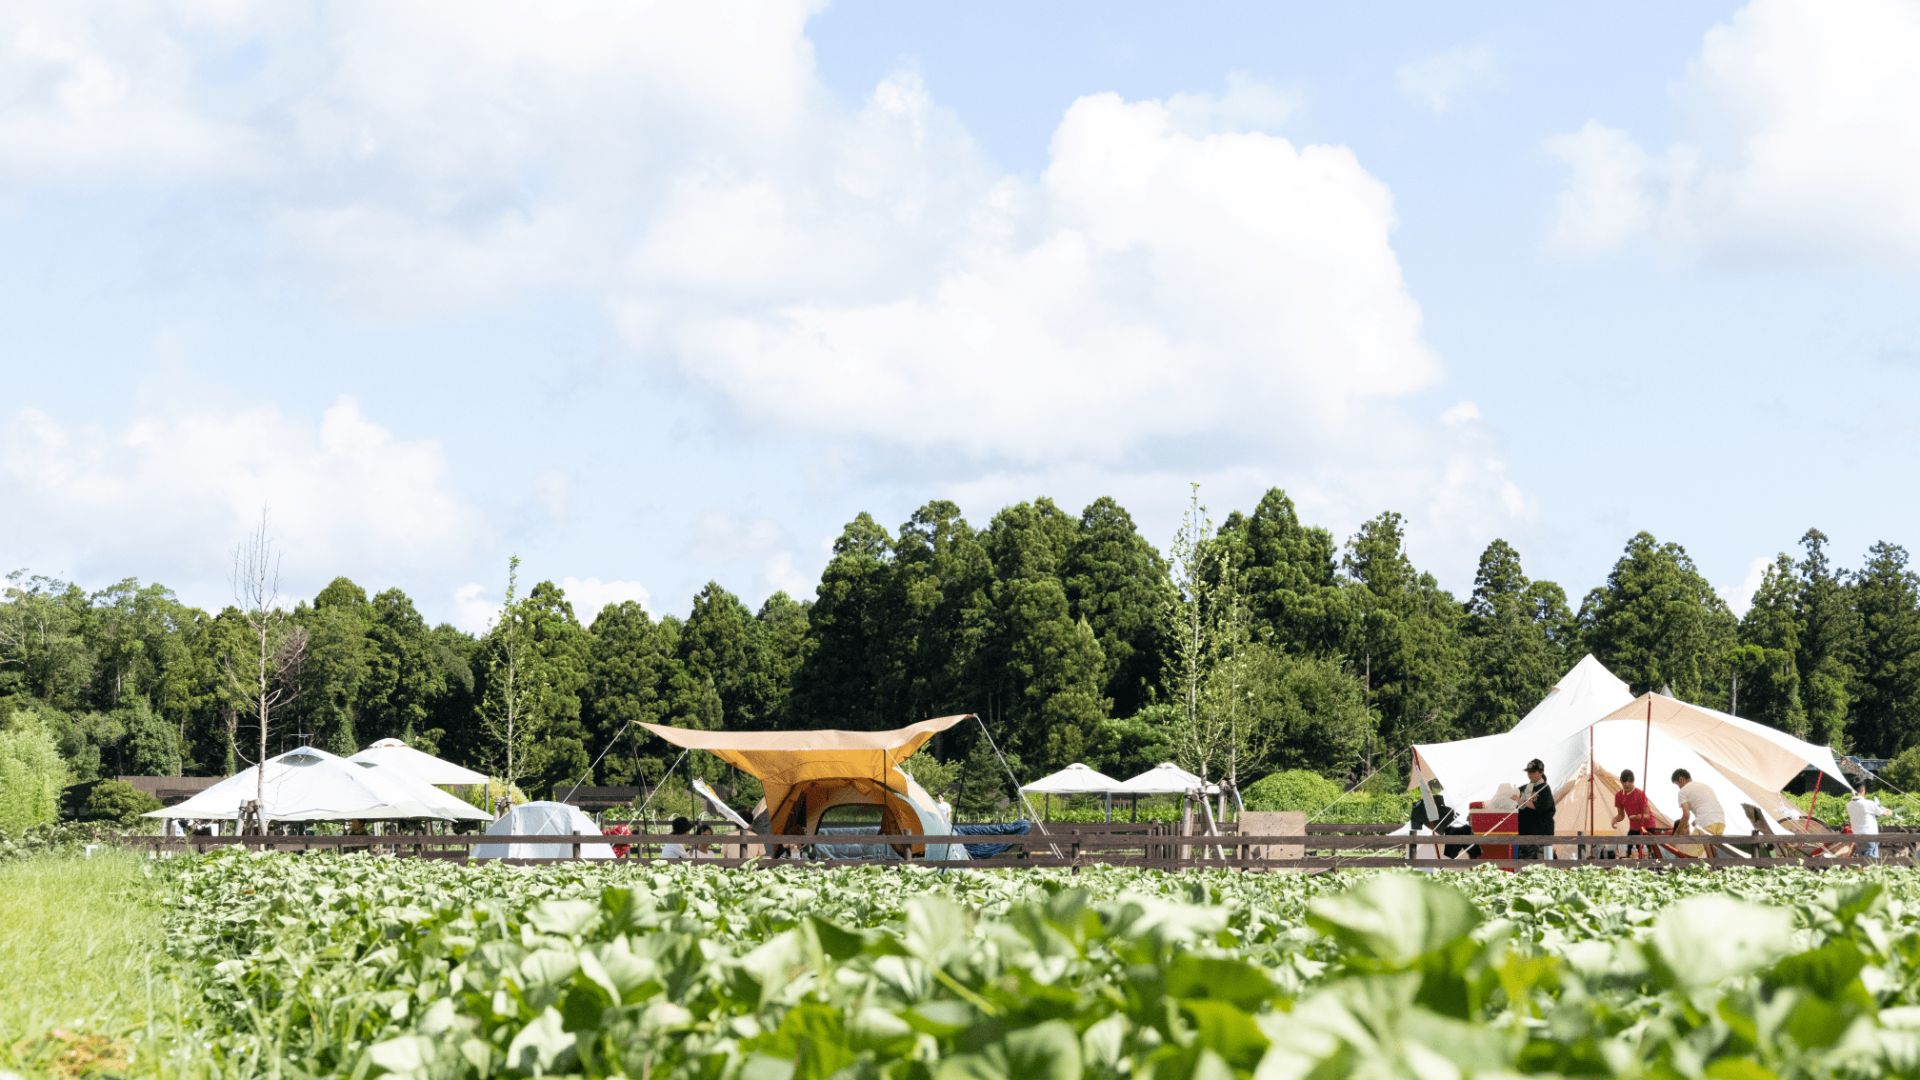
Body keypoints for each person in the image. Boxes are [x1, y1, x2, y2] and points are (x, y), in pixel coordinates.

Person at [1408, 780, 1476, 861]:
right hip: (1450, 823)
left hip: (1446, 827)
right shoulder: (1432, 799)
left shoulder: (1415, 812)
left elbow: (1416, 831)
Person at [1671, 769, 1726, 858]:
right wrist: (1697, 821)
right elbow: (1708, 808)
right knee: (1708, 848)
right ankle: (1714, 867)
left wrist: (1677, 834)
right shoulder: (1705, 786)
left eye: (1678, 785)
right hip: (1720, 821)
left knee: (1689, 853)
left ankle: (1712, 867)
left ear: (1681, 779)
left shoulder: (1683, 791)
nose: (1679, 788)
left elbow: (1686, 815)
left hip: (1706, 823)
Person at [1610, 768, 1656, 858]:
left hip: (1647, 825)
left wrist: (1639, 817)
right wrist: (1615, 819)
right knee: (1631, 852)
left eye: (1629, 781)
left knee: (1644, 853)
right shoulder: (1619, 796)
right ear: (1621, 781)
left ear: (1633, 781)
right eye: (1624, 782)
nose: (1626, 784)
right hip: (1634, 826)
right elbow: (1621, 815)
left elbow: (1647, 815)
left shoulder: (1640, 794)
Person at [1515, 759, 1555, 860]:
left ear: (1541, 772)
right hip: (1524, 833)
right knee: (1523, 864)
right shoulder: (1524, 788)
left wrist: (1521, 802)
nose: (1530, 775)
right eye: (1529, 772)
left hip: (1539, 835)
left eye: (1533, 772)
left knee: (1539, 865)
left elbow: (1541, 807)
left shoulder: (1545, 788)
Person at [1847, 779, 1890, 859]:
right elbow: (1884, 813)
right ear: (1863, 789)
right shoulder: (1868, 803)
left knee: (1862, 861)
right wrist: (1890, 812)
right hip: (1869, 837)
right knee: (1871, 864)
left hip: (1857, 837)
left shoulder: (1849, 805)